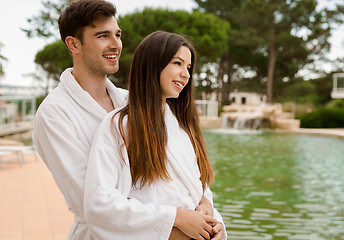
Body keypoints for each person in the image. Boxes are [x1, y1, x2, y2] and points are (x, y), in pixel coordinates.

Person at [33, 1, 218, 239]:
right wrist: (180, 222)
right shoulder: (54, 114)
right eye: (103, 36)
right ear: (73, 44)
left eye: (118, 35)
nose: (116, 45)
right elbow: (91, 204)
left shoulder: (131, 101)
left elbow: (181, 173)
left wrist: (204, 204)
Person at [84, 31, 227, 240]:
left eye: (188, 67)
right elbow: (99, 203)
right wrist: (176, 218)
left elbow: (196, 186)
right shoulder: (120, 126)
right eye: (177, 63)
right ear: (153, 64)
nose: (186, 74)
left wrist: (210, 211)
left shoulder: (183, 127)